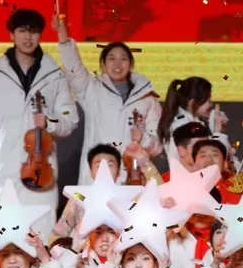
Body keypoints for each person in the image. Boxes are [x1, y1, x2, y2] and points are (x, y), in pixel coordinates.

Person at [0, 8, 75, 231]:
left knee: (39, 240)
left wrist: (49, 122)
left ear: (41, 35)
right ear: (11, 34)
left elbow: (70, 119)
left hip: (40, 174)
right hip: (0, 170)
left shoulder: (54, 74)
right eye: (22, 31)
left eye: (34, 31)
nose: (28, 37)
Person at [55, 14, 163, 182]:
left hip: (132, 179)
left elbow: (157, 147)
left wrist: (143, 138)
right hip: (96, 176)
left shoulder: (147, 98)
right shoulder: (91, 90)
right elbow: (73, 68)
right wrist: (63, 37)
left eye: (123, 59)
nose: (117, 64)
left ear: (131, 64)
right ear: (103, 65)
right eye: (111, 59)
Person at [157, 76, 228, 156]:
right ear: (192, 103)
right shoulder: (183, 127)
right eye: (208, 100)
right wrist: (217, 132)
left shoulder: (194, 121)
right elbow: (209, 158)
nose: (211, 104)